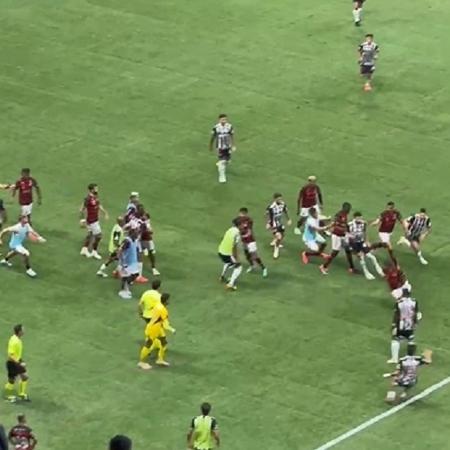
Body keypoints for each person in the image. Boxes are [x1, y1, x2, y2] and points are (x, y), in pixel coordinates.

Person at [138, 293, 175, 369]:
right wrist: (172, 329)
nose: (169, 301)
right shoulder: (163, 310)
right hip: (153, 329)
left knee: (163, 342)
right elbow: (165, 324)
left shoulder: (158, 305)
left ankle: (160, 359)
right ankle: (141, 362)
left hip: (157, 328)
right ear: (166, 301)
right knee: (148, 344)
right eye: (168, 300)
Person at [319, 202, 355, 275]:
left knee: (348, 250)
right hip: (336, 236)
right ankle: (323, 266)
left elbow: (345, 225)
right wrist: (346, 232)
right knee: (335, 253)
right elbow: (336, 225)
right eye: (348, 209)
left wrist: (348, 232)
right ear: (344, 208)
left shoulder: (345, 215)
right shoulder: (339, 215)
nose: (349, 210)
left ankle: (352, 267)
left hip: (342, 235)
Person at [388, 289, 422, 364]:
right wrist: (416, 322)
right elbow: (416, 312)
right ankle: (410, 357)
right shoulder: (414, 301)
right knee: (410, 339)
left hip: (401, 324)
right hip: (410, 324)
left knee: (395, 339)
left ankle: (394, 359)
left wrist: (394, 325)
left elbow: (397, 315)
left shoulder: (399, 303)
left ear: (402, 294)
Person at [348, 212, 384, 280]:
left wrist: (367, 241)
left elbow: (365, 232)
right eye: (358, 218)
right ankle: (366, 273)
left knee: (372, 257)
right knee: (361, 258)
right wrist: (355, 249)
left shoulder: (363, 223)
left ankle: (380, 271)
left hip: (361, 242)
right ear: (354, 218)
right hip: (354, 243)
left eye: (360, 217)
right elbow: (349, 237)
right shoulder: (350, 225)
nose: (360, 219)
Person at [79, 183, 109, 259]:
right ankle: (94, 252)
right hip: (91, 220)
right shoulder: (88, 198)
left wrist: (105, 212)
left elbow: (98, 205)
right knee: (99, 236)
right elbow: (81, 209)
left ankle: (84, 250)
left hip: (95, 219)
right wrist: (82, 220)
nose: (97, 189)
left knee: (90, 234)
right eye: (96, 188)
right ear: (92, 189)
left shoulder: (96, 196)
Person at [236, 208, 267, 277]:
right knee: (247, 255)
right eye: (240, 214)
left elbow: (249, 231)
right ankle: (252, 265)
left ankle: (263, 268)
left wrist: (243, 235)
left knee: (254, 255)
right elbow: (237, 229)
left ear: (245, 214)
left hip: (250, 240)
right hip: (244, 240)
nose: (240, 215)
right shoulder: (237, 220)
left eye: (242, 214)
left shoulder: (249, 220)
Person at [4, 324, 29, 403]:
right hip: (12, 363)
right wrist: (19, 363)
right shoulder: (14, 341)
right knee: (12, 380)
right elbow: (10, 355)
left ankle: (22, 394)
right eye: (23, 330)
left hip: (17, 361)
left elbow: (16, 354)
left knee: (24, 377)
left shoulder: (17, 339)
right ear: (19, 332)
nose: (24, 331)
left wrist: (21, 360)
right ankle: (7, 396)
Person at [209, 114, 235, 183]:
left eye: (225, 119)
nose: (224, 121)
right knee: (222, 162)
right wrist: (210, 146)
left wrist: (233, 145)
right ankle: (222, 176)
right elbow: (213, 137)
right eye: (222, 119)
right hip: (220, 147)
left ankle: (221, 162)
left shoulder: (229, 126)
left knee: (227, 161)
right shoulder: (216, 127)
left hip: (227, 146)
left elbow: (232, 135)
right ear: (219, 120)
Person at [217, 219, 242, 290]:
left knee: (228, 263)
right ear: (239, 225)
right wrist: (236, 258)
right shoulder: (237, 233)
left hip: (220, 251)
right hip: (228, 253)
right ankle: (230, 284)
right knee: (238, 266)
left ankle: (222, 277)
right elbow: (234, 246)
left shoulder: (230, 230)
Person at [136, 204, 160, 277]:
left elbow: (149, 229)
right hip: (138, 239)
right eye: (140, 210)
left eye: (142, 209)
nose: (142, 211)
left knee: (151, 252)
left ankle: (153, 268)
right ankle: (137, 271)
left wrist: (148, 230)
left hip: (146, 238)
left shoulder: (146, 217)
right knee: (138, 254)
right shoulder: (135, 217)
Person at [265, 193, 291, 259]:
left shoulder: (283, 204)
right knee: (279, 237)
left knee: (282, 234)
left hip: (280, 222)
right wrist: (268, 223)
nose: (280, 200)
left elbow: (285, 211)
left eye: (280, 198)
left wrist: (288, 219)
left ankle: (274, 241)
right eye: (278, 199)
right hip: (273, 223)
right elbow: (269, 215)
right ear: (275, 199)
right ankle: (276, 250)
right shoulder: (271, 207)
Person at [117, 228, 140, 299]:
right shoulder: (127, 241)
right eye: (136, 233)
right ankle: (123, 291)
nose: (137, 235)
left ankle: (126, 288)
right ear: (132, 234)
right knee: (125, 277)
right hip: (126, 262)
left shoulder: (134, 240)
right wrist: (122, 261)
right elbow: (120, 250)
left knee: (135, 274)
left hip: (132, 262)